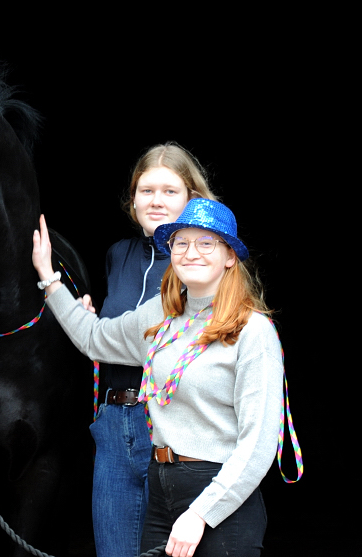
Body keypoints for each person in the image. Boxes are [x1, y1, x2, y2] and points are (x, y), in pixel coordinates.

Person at [33, 198, 282, 556]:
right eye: (181, 242)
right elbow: (94, 338)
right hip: (160, 486)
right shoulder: (161, 316)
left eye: (206, 243)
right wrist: (49, 279)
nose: (191, 252)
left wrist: (200, 514)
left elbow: (257, 446)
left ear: (230, 255)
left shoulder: (253, 331)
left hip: (220, 495)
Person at [85, 142, 216, 557]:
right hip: (112, 426)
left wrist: (98, 335)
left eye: (169, 191)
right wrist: (90, 322)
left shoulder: (203, 261)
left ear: (192, 199)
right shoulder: (117, 256)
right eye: (146, 190)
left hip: (175, 428)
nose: (156, 201)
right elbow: (110, 336)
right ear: (132, 198)